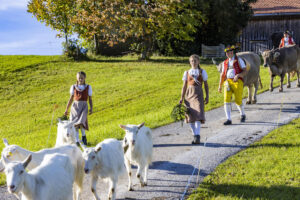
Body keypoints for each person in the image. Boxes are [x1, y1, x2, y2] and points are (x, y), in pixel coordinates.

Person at [179, 54, 209, 144]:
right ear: (190, 62)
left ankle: (197, 135)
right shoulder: (187, 73)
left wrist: (207, 96)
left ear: (198, 62)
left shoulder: (202, 72)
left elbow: (206, 85)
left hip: (198, 94)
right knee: (190, 115)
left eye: (195, 61)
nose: (193, 62)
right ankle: (195, 136)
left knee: (198, 114)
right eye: (192, 61)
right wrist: (181, 97)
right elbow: (184, 86)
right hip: (189, 95)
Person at [218, 45, 247, 125]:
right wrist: (220, 85)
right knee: (226, 100)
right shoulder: (225, 62)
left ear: (233, 52)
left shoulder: (239, 60)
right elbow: (223, 74)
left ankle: (242, 114)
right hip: (228, 82)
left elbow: (245, 71)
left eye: (230, 52)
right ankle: (228, 119)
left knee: (238, 99)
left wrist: (238, 75)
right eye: (227, 52)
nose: (228, 53)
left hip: (237, 81)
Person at [64, 71, 93, 146]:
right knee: (75, 124)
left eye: (82, 78)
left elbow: (90, 98)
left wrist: (91, 108)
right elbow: (70, 99)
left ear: (84, 78)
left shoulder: (88, 87)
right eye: (79, 78)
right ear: (77, 78)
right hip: (75, 107)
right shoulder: (73, 87)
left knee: (82, 123)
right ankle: (77, 141)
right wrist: (67, 109)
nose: (80, 79)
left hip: (83, 106)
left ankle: (83, 137)